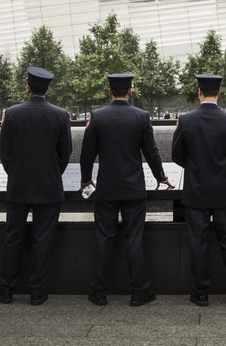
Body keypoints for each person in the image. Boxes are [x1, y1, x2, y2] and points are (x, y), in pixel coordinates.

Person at [79, 74, 173, 307]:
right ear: (129, 91)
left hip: (107, 189)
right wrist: (160, 176)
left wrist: (85, 179)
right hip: (133, 189)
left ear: (109, 91)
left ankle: (99, 292)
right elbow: (151, 151)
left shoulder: (97, 117)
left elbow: (87, 153)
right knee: (134, 240)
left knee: (104, 239)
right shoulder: (141, 116)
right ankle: (139, 292)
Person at [0, 67, 72, 306]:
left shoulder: (11, 113)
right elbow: (65, 152)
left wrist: (16, 172)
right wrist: (52, 173)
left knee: (13, 238)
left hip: (18, 186)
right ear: (47, 88)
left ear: (27, 87)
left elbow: (4, 150)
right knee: (43, 239)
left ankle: (6, 290)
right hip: (49, 187)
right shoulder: (61, 115)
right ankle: (37, 292)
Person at [172, 74, 226, 307]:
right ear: (219, 92)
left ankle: (200, 293)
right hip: (224, 191)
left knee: (198, 242)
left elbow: (176, 155)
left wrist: (197, 169)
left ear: (199, 92)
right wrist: (222, 170)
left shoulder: (186, 120)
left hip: (196, 192)